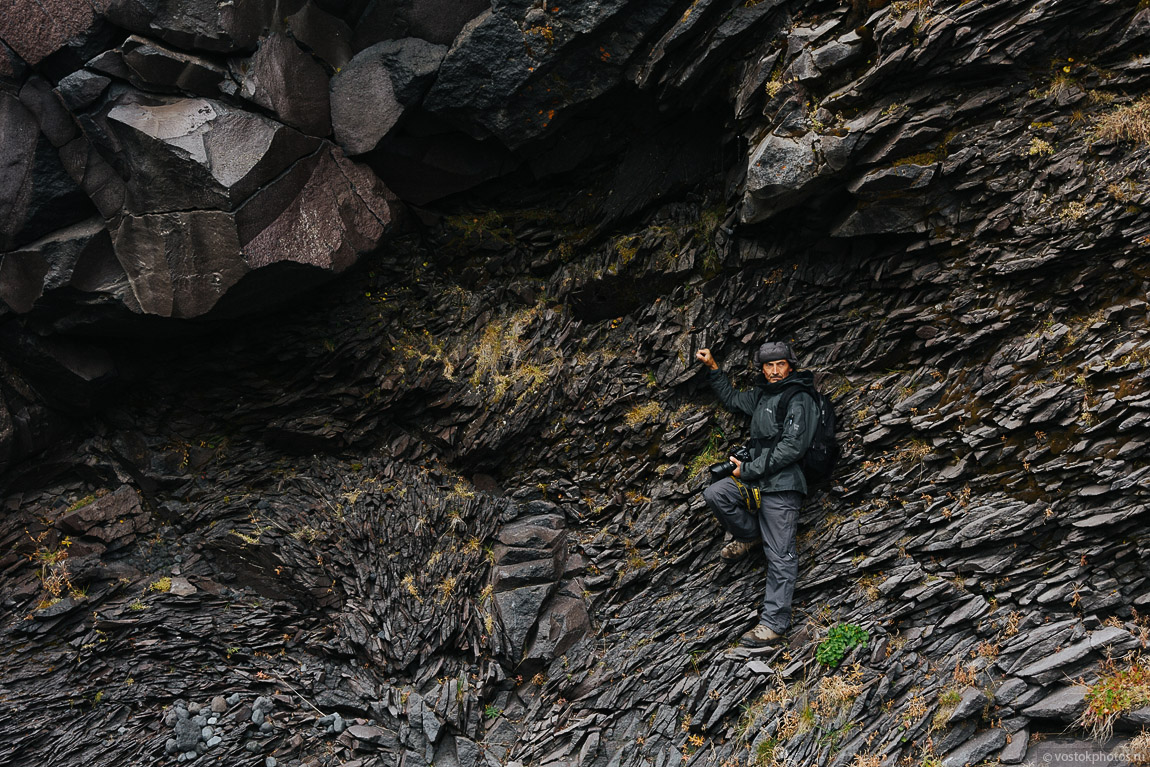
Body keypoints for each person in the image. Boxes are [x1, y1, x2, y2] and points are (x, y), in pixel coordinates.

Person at [695, 341, 818, 648]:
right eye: (768, 366)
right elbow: (733, 399)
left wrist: (748, 470)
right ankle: (752, 535)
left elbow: (793, 447)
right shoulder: (763, 394)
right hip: (756, 482)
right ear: (762, 368)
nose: (774, 371)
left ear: (790, 365)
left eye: (780, 365)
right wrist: (713, 368)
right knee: (716, 493)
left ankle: (774, 624)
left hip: (784, 485)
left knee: (781, 555)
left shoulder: (799, 398)